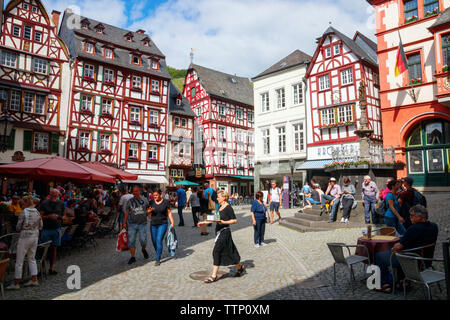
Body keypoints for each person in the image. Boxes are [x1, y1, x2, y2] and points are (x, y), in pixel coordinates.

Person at [375, 205, 438, 293]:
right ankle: (402, 281)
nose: (410, 217)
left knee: (379, 256)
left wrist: (397, 245)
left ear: (419, 217)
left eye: (412, 215)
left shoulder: (413, 229)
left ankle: (383, 284)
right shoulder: (434, 226)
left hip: (411, 262)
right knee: (403, 252)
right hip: (425, 260)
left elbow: (398, 246)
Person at [198, 190, 245, 283]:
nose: (217, 198)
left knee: (216, 251)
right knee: (230, 252)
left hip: (225, 232)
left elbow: (234, 220)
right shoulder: (219, 207)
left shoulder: (228, 208)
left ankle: (214, 276)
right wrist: (203, 222)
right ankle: (240, 267)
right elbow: (216, 219)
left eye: (219, 197)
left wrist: (224, 222)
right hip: (219, 232)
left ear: (224, 197)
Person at [7, 196, 43, 290]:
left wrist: (23, 227)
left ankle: (16, 283)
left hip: (25, 237)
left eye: (22, 204)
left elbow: (18, 227)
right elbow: (41, 225)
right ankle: (34, 279)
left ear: (25, 203)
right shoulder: (37, 212)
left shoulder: (24, 212)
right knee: (32, 258)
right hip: (34, 236)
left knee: (19, 260)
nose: (21, 205)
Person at [123, 186, 151, 265]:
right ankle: (132, 257)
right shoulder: (129, 201)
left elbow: (148, 210)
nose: (134, 193)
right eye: (133, 191)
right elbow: (127, 212)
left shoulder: (145, 200)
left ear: (139, 191)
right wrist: (124, 222)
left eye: (136, 191)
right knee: (131, 241)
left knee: (143, 240)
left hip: (143, 224)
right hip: (132, 224)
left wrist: (150, 217)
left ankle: (143, 249)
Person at [39, 189, 65, 275]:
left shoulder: (61, 203)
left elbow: (64, 215)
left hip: (56, 228)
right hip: (46, 229)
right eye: (52, 194)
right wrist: (49, 216)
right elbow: (40, 216)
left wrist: (59, 218)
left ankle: (51, 268)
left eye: (56, 194)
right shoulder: (44, 203)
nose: (54, 195)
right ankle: (42, 269)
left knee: (54, 249)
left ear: (58, 195)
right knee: (43, 249)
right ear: (50, 194)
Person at [149, 190, 175, 266]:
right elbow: (149, 214)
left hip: (163, 224)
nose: (155, 197)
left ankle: (158, 258)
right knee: (154, 241)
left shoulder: (165, 202)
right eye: (154, 195)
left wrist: (172, 222)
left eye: (156, 195)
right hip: (153, 224)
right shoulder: (151, 202)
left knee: (158, 239)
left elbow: (169, 212)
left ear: (160, 194)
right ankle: (158, 251)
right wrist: (148, 211)